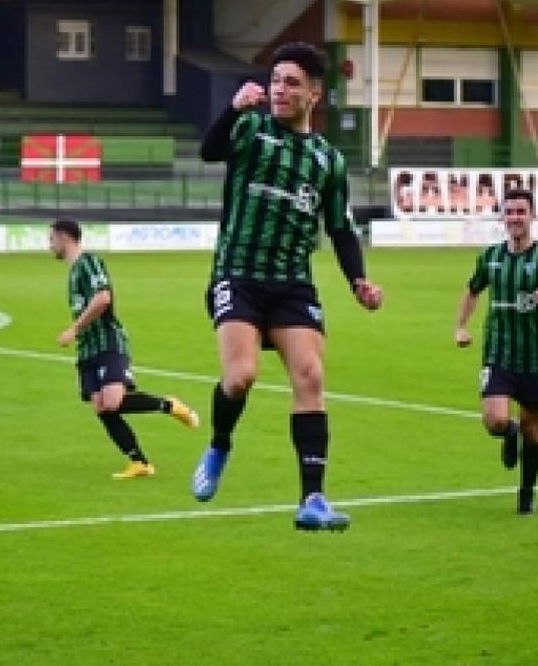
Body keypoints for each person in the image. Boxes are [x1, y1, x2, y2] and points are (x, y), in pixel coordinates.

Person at [193, 41, 384, 532]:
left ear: (314, 94)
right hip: (238, 273)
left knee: (311, 377)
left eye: (291, 83)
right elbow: (209, 151)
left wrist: (358, 280)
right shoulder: (251, 129)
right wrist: (232, 109)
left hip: (293, 284)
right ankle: (219, 445)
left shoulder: (327, 160)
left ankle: (312, 499)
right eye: (275, 81)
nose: (279, 90)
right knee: (241, 377)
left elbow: (340, 228)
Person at [454, 188, 538, 514]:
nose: (515, 218)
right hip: (498, 352)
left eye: (521, 211)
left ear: (532, 216)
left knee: (533, 429)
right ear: (502, 217)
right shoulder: (491, 257)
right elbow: (473, 289)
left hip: (534, 356)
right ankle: (510, 433)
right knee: (494, 420)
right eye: (510, 212)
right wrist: (461, 326)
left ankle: (527, 491)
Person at [49, 219, 200, 479]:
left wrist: (74, 329)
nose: (49, 245)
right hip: (87, 349)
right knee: (101, 407)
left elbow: (103, 298)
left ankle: (169, 405)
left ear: (65, 237)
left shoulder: (88, 262)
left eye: (51, 239)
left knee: (113, 401)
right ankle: (139, 462)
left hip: (107, 341)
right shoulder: (73, 272)